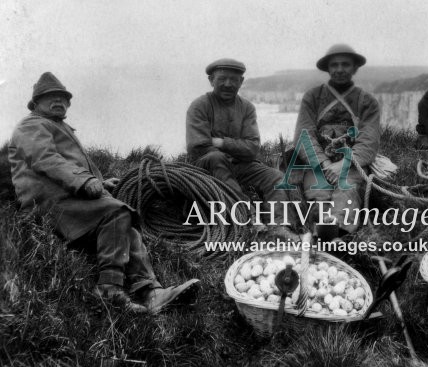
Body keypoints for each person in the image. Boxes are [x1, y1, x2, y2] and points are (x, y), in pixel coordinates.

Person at [9, 72, 199, 314]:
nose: (58, 101)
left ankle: (151, 292)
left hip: (68, 199)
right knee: (118, 212)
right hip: (48, 204)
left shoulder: (59, 127)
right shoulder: (32, 125)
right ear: (35, 103)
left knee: (127, 226)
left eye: (62, 98)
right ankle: (109, 289)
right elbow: (46, 159)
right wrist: (84, 181)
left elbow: (71, 163)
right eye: (50, 98)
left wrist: (99, 181)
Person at [186, 58, 300, 241]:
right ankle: (249, 219)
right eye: (222, 78)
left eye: (234, 79)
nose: (228, 84)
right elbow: (197, 146)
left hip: (241, 165)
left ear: (241, 82)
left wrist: (220, 142)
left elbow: (253, 148)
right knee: (216, 158)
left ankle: (280, 226)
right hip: (208, 167)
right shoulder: (200, 105)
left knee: (276, 177)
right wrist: (234, 147)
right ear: (211, 80)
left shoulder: (247, 108)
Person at [292, 44, 381, 238]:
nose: (339, 70)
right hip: (318, 164)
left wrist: (344, 164)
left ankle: (338, 236)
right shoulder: (312, 97)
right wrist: (324, 164)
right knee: (319, 196)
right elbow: (303, 136)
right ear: (328, 68)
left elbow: (369, 140)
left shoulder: (367, 102)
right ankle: (322, 235)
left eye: (345, 65)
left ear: (355, 68)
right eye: (335, 65)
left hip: (351, 164)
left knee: (347, 191)